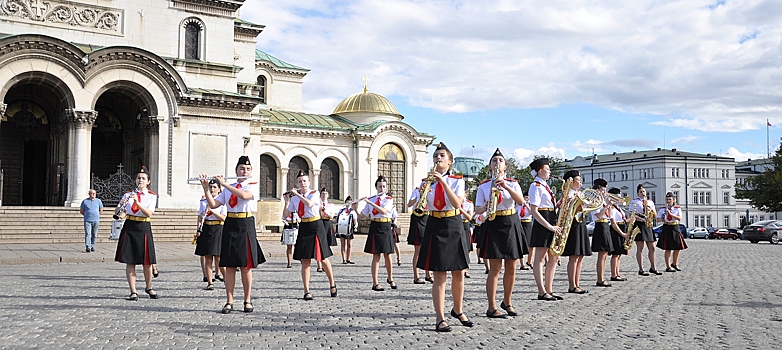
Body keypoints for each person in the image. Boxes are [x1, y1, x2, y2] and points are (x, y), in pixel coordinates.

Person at [415, 142, 472, 332]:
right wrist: (422, 194)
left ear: (449, 162)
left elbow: (457, 203)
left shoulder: (457, 180)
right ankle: (440, 318)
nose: (437, 158)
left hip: (453, 223)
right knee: (439, 275)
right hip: (435, 223)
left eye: (441, 156)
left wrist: (443, 182)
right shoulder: (426, 181)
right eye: (435, 156)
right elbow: (419, 206)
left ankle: (458, 309)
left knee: (458, 272)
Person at [199, 155, 266, 314]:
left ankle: (247, 299)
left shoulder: (252, 184)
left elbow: (244, 196)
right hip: (230, 224)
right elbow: (214, 204)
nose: (245, 171)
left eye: (248, 169)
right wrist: (206, 189)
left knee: (245, 266)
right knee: (229, 266)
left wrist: (224, 184)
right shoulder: (231, 187)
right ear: (236, 170)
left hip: (245, 224)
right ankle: (229, 300)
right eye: (242, 168)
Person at [476, 148, 528, 318]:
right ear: (490, 167)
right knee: (495, 268)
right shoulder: (484, 185)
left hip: (510, 221)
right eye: (494, 161)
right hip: (493, 222)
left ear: (505, 166)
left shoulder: (512, 183)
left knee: (512, 266)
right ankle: (491, 306)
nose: (497, 163)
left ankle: (507, 301)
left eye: (500, 161)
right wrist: (483, 208)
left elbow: (520, 201)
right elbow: (477, 208)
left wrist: (505, 185)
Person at [284, 170, 337, 300]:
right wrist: (286, 202)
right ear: (297, 183)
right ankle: (306, 290)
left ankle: (332, 283)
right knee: (305, 260)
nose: (302, 183)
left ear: (309, 182)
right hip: (304, 226)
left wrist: (297, 194)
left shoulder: (314, 193)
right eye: (300, 181)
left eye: (304, 181)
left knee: (322, 257)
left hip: (316, 225)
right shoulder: (295, 198)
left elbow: (309, 203)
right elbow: (286, 214)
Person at [114, 166, 158, 301]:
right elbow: (118, 213)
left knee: (147, 262)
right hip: (130, 226)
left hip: (143, 226)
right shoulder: (127, 194)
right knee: (130, 261)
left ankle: (149, 286)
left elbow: (149, 212)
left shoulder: (151, 196)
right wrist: (120, 206)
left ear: (148, 181)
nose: (140, 180)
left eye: (143, 178)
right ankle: (133, 291)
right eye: (139, 178)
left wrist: (137, 202)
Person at [528, 158, 563, 301]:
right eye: (548, 170)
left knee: (553, 257)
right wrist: (549, 226)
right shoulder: (535, 186)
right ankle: (541, 291)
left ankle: (549, 288)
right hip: (543, 221)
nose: (550, 172)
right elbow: (534, 211)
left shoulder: (545, 186)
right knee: (540, 258)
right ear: (540, 170)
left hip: (551, 218)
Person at [359, 175, 397, 291]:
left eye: (384, 186)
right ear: (376, 187)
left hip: (385, 226)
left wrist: (370, 203)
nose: (382, 188)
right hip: (375, 226)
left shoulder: (388, 199)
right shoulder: (371, 199)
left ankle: (390, 278)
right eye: (380, 186)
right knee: (376, 255)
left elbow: (384, 211)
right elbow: (362, 216)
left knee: (388, 254)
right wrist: (356, 207)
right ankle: (375, 283)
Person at [195, 179, 227, 290]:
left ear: (219, 189)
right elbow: (199, 217)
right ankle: (210, 282)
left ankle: (226, 279)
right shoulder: (203, 201)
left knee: (218, 257)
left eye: (214, 187)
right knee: (208, 257)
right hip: (207, 227)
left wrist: (212, 211)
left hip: (218, 228)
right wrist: (198, 228)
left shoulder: (221, 201)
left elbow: (223, 217)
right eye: (210, 187)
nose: (212, 189)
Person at [630, 184, 662, 276]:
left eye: (644, 191)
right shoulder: (634, 202)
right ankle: (641, 269)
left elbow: (656, 216)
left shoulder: (650, 202)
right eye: (641, 192)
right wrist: (641, 218)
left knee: (652, 247)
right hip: (639, 225)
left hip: (648, 225)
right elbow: (632, 215)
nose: (643, 193)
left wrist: (651, 209)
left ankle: (653, 267)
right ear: (638, 193)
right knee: (640, 248)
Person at [589, 178, 614, 288]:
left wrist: (609, 205)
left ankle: (602, 277)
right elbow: (598, 215)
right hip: (600, 225)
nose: (605, 192)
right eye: (603, 190)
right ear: (598, 189)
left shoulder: (602, 200)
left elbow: (608, 214)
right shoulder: (595, 200)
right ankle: (600, 278)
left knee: (605, 255)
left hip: (605, 224)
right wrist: (607, 206)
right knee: (601, 255)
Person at [406, 185, 433, 284]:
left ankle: (428, 274)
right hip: (417, 218)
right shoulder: (416, 191)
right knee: (417, 249)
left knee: (428, 248)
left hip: (426, 217)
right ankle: (416, 276)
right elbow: (409, 204)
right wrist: (418, 199)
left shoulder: (431, 191)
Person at [657, 192, 687, 271]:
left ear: (673, 200)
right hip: (667, 227)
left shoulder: (677, 208)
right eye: (667, 199)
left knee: (677, 247)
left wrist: (671, 214)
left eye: (670, 199)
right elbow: (657, 220)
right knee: (668, 248)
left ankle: (674, 263)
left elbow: (679, 218)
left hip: (675, 227)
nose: (668, 201)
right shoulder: (662, 209)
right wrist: (663, 217)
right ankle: (668, 266)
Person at [607, 187, 630, 281]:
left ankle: (617, 273)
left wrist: (632, 219)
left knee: (619, 254)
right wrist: (622, 234)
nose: (620, 199)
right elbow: (613, 223)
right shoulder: (611, 208)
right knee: (615, 254)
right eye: (618, 197)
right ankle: (613, 275)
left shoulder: (619, 208)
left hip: (621, 229)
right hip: (616, 231)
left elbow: (623, 221)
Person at [317, 188, 337, 273]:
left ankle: (324, 262)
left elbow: (332, 216)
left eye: (326, 194)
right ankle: (319, 266)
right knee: (318, 243)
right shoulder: (317, 204)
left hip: (327, 223)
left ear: (328, 195)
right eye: (322, 193)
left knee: (326, 244)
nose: (324, 195)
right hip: (319, 222)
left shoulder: (330, 205)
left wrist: (326, 211)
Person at [79, 189, 103, 253]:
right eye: (92, 193)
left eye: (94, 193)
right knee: (88, 234)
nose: (93, 194)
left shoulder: (98, 201)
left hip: (96, 220)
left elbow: (101, 209)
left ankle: (92, 246)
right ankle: (88, 247)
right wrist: (87, 215)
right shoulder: (85, 201)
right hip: (87, 220)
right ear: (89, 194)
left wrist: (97, 215)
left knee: (94, 234)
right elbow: (81, 211)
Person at [335, 196, 358, 264]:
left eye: (350, 202)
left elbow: (355, 220)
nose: (348, 204)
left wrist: (356, 225)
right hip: (342, 229)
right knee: (343, 244)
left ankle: (348, 258)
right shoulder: (341, 210)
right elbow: (337, 219)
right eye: (347, 202)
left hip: (349, 228)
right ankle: (344, 259)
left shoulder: (352, 212)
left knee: (349, 244)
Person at [460, 198, 474, 278]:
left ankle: (465, 269)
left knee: (467, 248)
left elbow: (469, 217)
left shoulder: (469, 204)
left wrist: (461, 209)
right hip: (456, 223)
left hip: (465, 224)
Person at [519, 192, 533, 269]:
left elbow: (532, 213)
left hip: (528, 223)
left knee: (530, 245)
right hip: (520, 223)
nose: (526, 199)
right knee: (520, 244)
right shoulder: (518, 205)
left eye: (528, 198)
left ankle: (529, 261)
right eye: (525, 197)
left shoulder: (530, 205)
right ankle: (522, 264)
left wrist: (527, 205)